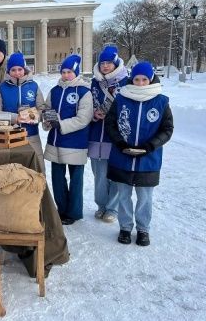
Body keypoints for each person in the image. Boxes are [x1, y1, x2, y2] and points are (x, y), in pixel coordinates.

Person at [105, 61, 174, 246]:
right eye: (137, 79)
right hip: (122, 157)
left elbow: (167, 129)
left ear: (150, 79)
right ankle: (125, 227)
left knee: (145, 197)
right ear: (132, 79)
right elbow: (110, 124)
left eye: (144, 79)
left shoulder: (161, 101)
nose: (141, 83)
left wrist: (151, 146)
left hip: (148, 159)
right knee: (124, 195)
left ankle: (143, 229)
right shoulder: (121, 98)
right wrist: (119, 143)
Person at [43, 54, 92, 225]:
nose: (65, 75)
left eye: (69, 72)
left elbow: (83, 119)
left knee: (76, 179)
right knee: (57, 178)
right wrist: (47, 121)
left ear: (76, 72)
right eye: (63, 71)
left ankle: (74, 212)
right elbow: (47, 109)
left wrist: (61, 125)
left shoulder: (84, 92)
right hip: (56, 141)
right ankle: (61, 209)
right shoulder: (54, 91)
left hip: (76, 142)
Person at [89, 45, 129, 223]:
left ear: (115, 64)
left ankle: (112, 208)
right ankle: (101, 205)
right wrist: (93, 113)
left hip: (115, 136)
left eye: (109, 63)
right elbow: (87, 104)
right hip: (97, 133)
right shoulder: (94, 83)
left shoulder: (126, 83)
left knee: (114, 174)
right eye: (102, 62)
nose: (105, 66)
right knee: (99, 174)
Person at [0, 52, 46, 172]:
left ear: (24, 69)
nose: (17, 73)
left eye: (20, 69)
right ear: (8, 71)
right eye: (13, 70)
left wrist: (32, 115)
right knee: (12, 174)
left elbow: (42, 109)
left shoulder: (34, 86)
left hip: (31, 137)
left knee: (38, 171)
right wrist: (16, 118)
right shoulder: (0, 88)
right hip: (9, 138)